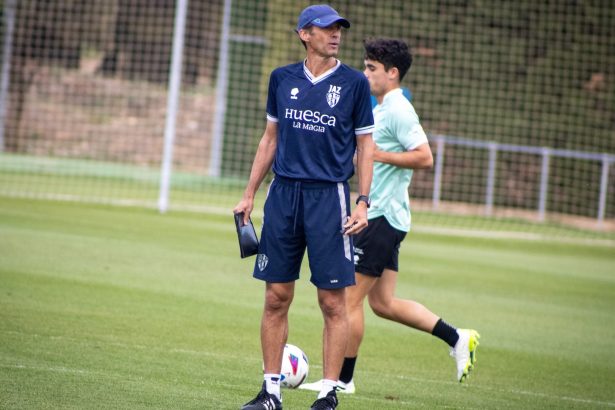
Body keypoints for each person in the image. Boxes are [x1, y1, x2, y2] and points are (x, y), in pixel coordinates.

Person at [300, 38, 480, 395]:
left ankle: (342, 380)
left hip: (380, 218)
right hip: (387, 217)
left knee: (347, 301)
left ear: (392, 73)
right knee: (382, 304)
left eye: (372, 69)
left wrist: (378, 156)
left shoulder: (398, 108)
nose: (365, 74)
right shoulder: (381, 107)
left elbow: (425, 157)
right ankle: (457, 336)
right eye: (365, 67)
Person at [234, 5, 375, 410]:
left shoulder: (354, 84)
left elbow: (365, 146)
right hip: (283, 196)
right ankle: (271, 393)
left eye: (338, 30)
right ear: (304, 34)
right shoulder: (282, 78)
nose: (335, 35)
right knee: (276, 296)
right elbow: (269, 138)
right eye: (326, 29)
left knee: (332, 301)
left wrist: (362, 201)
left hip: (329, 198)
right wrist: (249, 194)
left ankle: (329, 394)